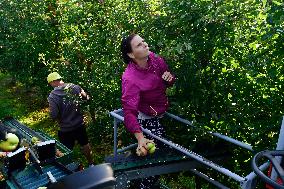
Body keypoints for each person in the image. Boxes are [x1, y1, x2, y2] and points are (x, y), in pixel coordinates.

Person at [121, 34, 175, 188]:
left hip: (162, 111)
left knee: (162, 154)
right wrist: (140, 138)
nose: (145, 45)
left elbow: (170, 79)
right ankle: (144, 184)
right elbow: (129, 111)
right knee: (157, 158)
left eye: (143, 41)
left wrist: (169, 79)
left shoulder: (155, 59)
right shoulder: (130, 78)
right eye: (139, 45)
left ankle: (142, 179)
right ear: (131, 55)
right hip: (147, 118)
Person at [47, 72, 93, 165]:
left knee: (66, 150)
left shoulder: (52, 96)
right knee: (85, 144)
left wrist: (52, 115)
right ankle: (91, 163)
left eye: (50, 84)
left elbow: (54, 114)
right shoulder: (75, 87)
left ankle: (71, 168)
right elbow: (86, 98)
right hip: (79, 124)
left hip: (65, 128)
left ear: (52, 82)